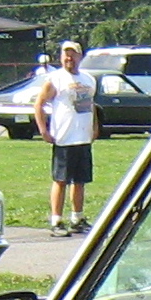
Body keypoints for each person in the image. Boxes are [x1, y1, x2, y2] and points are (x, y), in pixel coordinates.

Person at [32, 41, 98, 236]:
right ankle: (56, 221)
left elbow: (91, 104)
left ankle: (77, 218)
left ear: (80, 57)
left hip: (83, 138)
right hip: (64, 138)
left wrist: (94, 127)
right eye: (65, 54)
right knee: (61, 180)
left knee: (80, 181)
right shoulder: (56, 79)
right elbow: (40, 103)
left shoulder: (89, 79)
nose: (69, 58)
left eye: (73, 54)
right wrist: (43, 129)